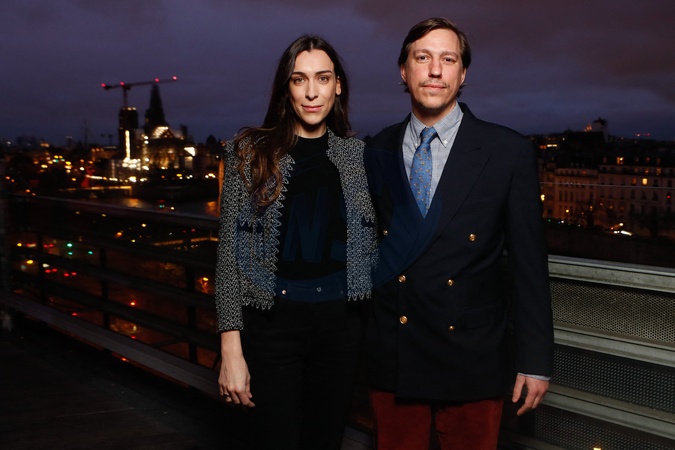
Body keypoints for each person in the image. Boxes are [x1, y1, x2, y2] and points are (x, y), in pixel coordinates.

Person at [363, 18, 554, 449]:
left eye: (448, 59)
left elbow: (529, 265)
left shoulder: (507, 151)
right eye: (423, 57)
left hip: (472, 357)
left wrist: (535, 361)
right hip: (395, 354)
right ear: (403, 70)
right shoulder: (376, 148)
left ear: (462, 73)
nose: (435, 70)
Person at [214, 35, 377, 450]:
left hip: (341, 329)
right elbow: (229, 257)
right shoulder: (249, 152)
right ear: (286, 88)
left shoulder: (359, 157)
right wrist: (231, 349)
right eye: (299, 79)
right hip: (272, 328)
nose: (311, 92)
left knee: (326, 441)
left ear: (338, 85)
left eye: (322, 78)